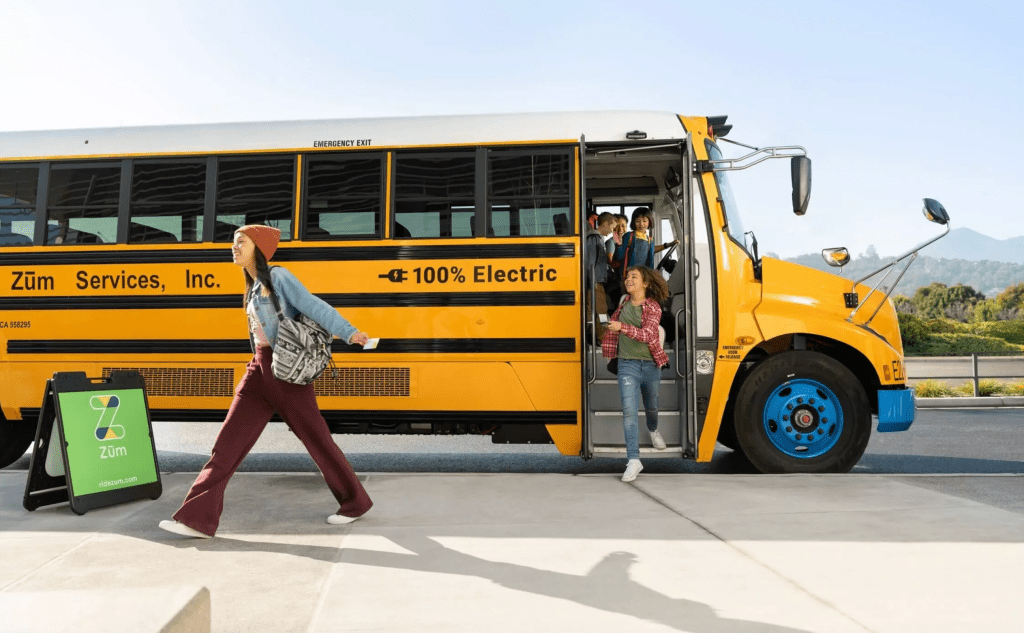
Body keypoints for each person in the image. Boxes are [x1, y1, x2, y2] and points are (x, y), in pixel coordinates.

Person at [158, 225, 374, 538]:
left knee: (317, 440)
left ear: (258, 247)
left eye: (240, 242)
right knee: (227, 446)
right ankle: (196, 518)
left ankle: (355, 502)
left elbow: (313, 305)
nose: (233, 248)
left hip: (285, 373)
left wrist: (350, 332)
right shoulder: (252, 287)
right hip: (258, 372)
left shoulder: (278, 277)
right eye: (233, 243)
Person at [602, 265, 671, 482]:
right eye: (627, 276)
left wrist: (621, 328)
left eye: (634, 276)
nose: (628, 279)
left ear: (646, 283)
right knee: (629, 412)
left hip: (650, 365)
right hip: (627, 365)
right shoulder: (622, 305)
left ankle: (653, 429)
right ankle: (633, 460)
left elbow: (649, 335)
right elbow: (613, 331)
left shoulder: (653, 307)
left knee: (652, 406)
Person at [612, 207, 679, 281]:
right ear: (633, 222)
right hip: (630, 276)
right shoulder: (629, 236)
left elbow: (652, 250)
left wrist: (668, 245)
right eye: (638, 221)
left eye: (644, 221)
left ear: (649, 222)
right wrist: (619, 244)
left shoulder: (649, 239)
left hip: (644, 275)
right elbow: (619, 256)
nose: (641, 224)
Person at [585, 212, 616, 340]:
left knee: (590, 309)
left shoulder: (597, 238)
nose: (612, 231)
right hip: (595, 280)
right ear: (605, 224)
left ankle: (590, 334)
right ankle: (603, 336)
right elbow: (590, 263)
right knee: (602, 309)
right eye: (612, 227)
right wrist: (593, 282)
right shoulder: (594, 238)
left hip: (596, 280)